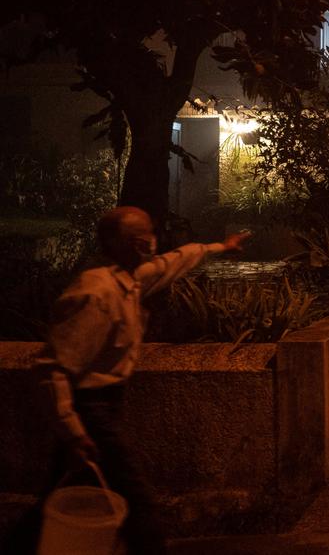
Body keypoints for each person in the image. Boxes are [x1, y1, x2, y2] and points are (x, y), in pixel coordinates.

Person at [10, 207, 249, 554]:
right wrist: (75, 430)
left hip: (102, 406)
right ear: (136, 244)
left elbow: (174, 262)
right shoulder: (97, 295)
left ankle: (21, 545)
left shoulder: (129, 279)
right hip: (90, 411)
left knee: (56, 496)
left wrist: (221, 248)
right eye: (147, 233)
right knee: (136, 500)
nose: (155, 238)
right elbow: (55, 370)